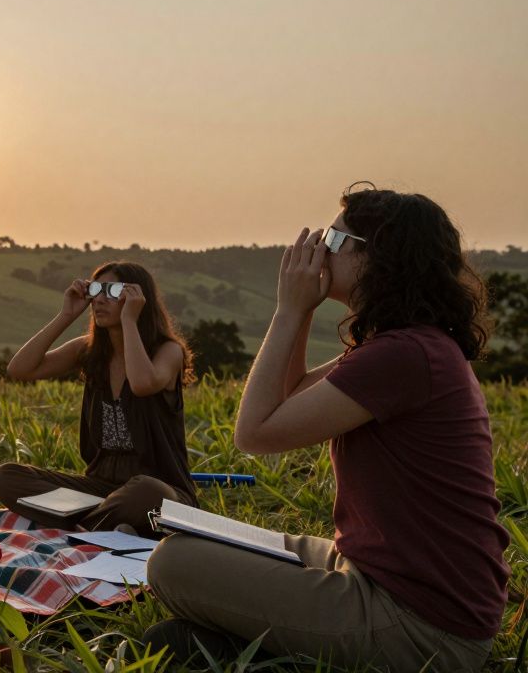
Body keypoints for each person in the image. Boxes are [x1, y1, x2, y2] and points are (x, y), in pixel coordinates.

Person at [145, 184, 511, 671]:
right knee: (205, 543)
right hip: (382, 577)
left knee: (172, 563)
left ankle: (267, 650)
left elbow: (254, 433)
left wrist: (289, 310)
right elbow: (288, 394)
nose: (318, 251)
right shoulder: (404, 346)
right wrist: (303, 312)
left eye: (334, 242)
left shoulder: (403, 356)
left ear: (377, 259)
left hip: (421, 627)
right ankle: (261, 648)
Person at [0, 262, 195, 536]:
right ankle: (110, 523)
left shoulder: (168, 351)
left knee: (146, 492)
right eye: (96, 290)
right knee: (8, 477)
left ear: (136, 297)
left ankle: (86, 524)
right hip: (99, 489)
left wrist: (129, 322)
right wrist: (66, 315)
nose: (99, 299)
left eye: (111, 291)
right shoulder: (88, 351)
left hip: (162, 491)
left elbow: (142, 384)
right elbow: (20, 369)